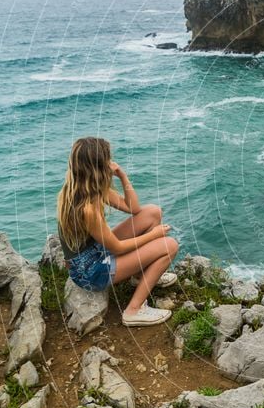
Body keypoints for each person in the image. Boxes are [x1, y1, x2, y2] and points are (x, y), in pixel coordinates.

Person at [56, 137, 179, 326]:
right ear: (97, 167)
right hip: (90, 272)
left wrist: (122, 176)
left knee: (152, 213)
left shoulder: (89, 187)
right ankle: (134, 310)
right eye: (107, 159)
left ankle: (139, 277)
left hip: (95, 251)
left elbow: (134, 208)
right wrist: (153, 236)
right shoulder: (88, 208)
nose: (110, 162)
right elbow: (119, 247)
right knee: (169, 245)